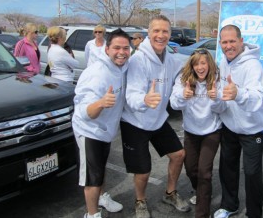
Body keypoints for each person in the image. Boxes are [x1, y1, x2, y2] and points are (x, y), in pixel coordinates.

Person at [121, 15, 190, 218]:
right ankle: (140, 201)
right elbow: (131, 94)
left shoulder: (171, 60)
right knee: (143, 170)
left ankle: (170, 193)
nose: (161, 35)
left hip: (158, 119)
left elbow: (186, 72)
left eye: (165, 31)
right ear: (148, 33)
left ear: (170, 34)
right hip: (135, 121)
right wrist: (144, 99)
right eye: (156, 31)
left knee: (178, 155)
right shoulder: (137, 60)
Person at [72, 29, 131, 218]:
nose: (121, 52)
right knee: (92, 178)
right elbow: (83, 111)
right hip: (89, 131)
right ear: (107, 49)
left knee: (100, 168)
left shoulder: (122, 66)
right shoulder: (96, 73)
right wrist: (100, 103)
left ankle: (102, 198)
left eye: (126, 48)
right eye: (116, 48)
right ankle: (92, 214)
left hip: (106, 130)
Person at [214, 25, 263, 218]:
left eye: (232, 41)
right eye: (224, 42)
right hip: (230, 127)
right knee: (227, 168)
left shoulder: (252, 65)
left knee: (252, 173)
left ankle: (254, 214)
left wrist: (238, 94)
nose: (228, 46)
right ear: (220, 43)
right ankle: (230, 206)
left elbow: (259, 98)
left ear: (241, 41)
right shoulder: (224, 62)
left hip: (252, 130)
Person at [170, 48, 226, 218]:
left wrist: (216, 98)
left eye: (203, 63)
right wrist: (182, 96)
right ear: (191, 66)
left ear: (209, 63)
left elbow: (223, 108)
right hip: (191, 131)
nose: (200, 67)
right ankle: (201, 190)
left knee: (204, 172)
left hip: (212, 131)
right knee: (191, 169)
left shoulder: (217, 79)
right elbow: (173, 104)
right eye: (196, 64)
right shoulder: (184, 79)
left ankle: (202, 212)